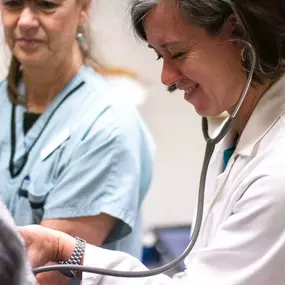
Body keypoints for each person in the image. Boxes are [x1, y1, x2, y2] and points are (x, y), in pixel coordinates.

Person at [19, 0, 285, 284]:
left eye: (177, 53)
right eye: (160, 57)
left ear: (240, 33)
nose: (166, 78)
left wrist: (70, 253)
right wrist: (69, 251)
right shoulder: (236, 139)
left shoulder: (276, 172)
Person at [0, 0, 155, 268]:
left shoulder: (108, 126)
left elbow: (46, 274)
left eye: (46, 5)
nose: (24, 21)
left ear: (83, 8)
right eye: (13, 4)